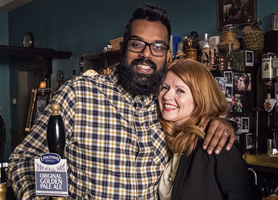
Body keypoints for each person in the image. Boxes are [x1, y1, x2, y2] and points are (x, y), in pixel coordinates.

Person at [7, 4, 236, 199]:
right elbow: (24, 160)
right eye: (137, 44)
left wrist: (221, 121)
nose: (146, 55)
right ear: (123, 47)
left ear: (167, 54)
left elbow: (198, 112)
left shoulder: (166, 106)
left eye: (157, 46)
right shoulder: (78, 95)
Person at [157, 59, 261, 200]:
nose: (167, 96)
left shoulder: (216, 141)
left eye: (180, 90)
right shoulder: (164, 137)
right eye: (164, 87)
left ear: (201, 98)